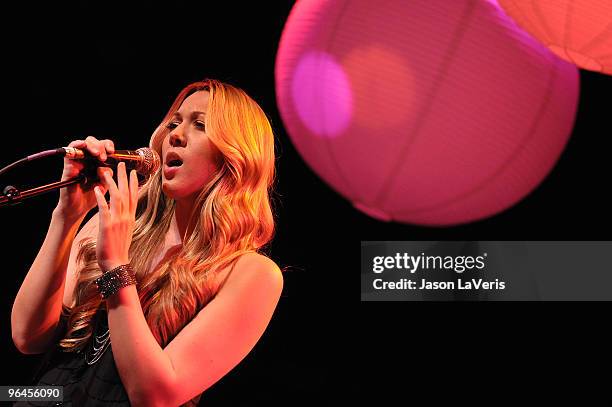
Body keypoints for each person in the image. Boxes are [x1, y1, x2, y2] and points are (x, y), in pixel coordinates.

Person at [11, 79, 283, 406]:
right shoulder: (114, 223)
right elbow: (28, 336)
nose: (176, 135)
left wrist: (115, 268)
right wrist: (67, 217)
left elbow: (155, 396)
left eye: (199, 125)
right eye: (174, 122)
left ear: (235, 157)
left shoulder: (252, 274)